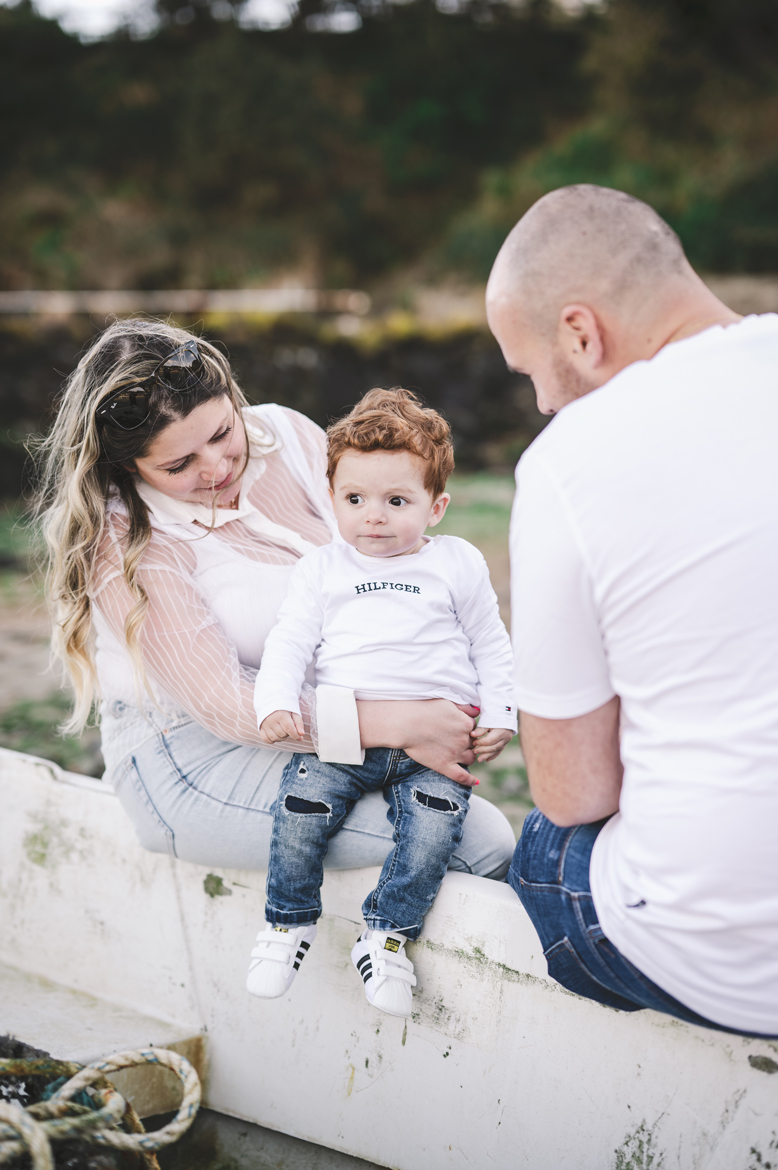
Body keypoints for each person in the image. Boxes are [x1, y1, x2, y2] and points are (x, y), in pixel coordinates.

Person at [35, 319, 515, 892]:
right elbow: (225, 704)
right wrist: (401, 724)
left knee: (459, 819)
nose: (216, 468)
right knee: (476, 841)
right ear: (127, 466)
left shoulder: (286, 434)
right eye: (178, 465)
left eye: (222, 433)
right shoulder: (123, 539)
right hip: (195, 756)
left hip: (337, 730)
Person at [487, 183, 778, 1038]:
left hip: (735, 964)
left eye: (533, 370)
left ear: (582, 332)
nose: (543, 403)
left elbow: (576, 793)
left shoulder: (569, 461)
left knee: (545, 851)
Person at [248, 389, 516, 1016]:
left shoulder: (457, 562)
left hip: (434, 749)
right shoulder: (322, 568)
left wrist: (502, 712)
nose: (374, 516)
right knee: (300, 812)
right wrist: (275, 700)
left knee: (432, 833)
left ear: (435, 506)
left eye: (397, 501)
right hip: (348, 737)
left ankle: (386, 938)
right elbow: (289, 640)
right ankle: (288, 923)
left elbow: (491, 642)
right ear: (333, 498)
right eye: (355, 499)